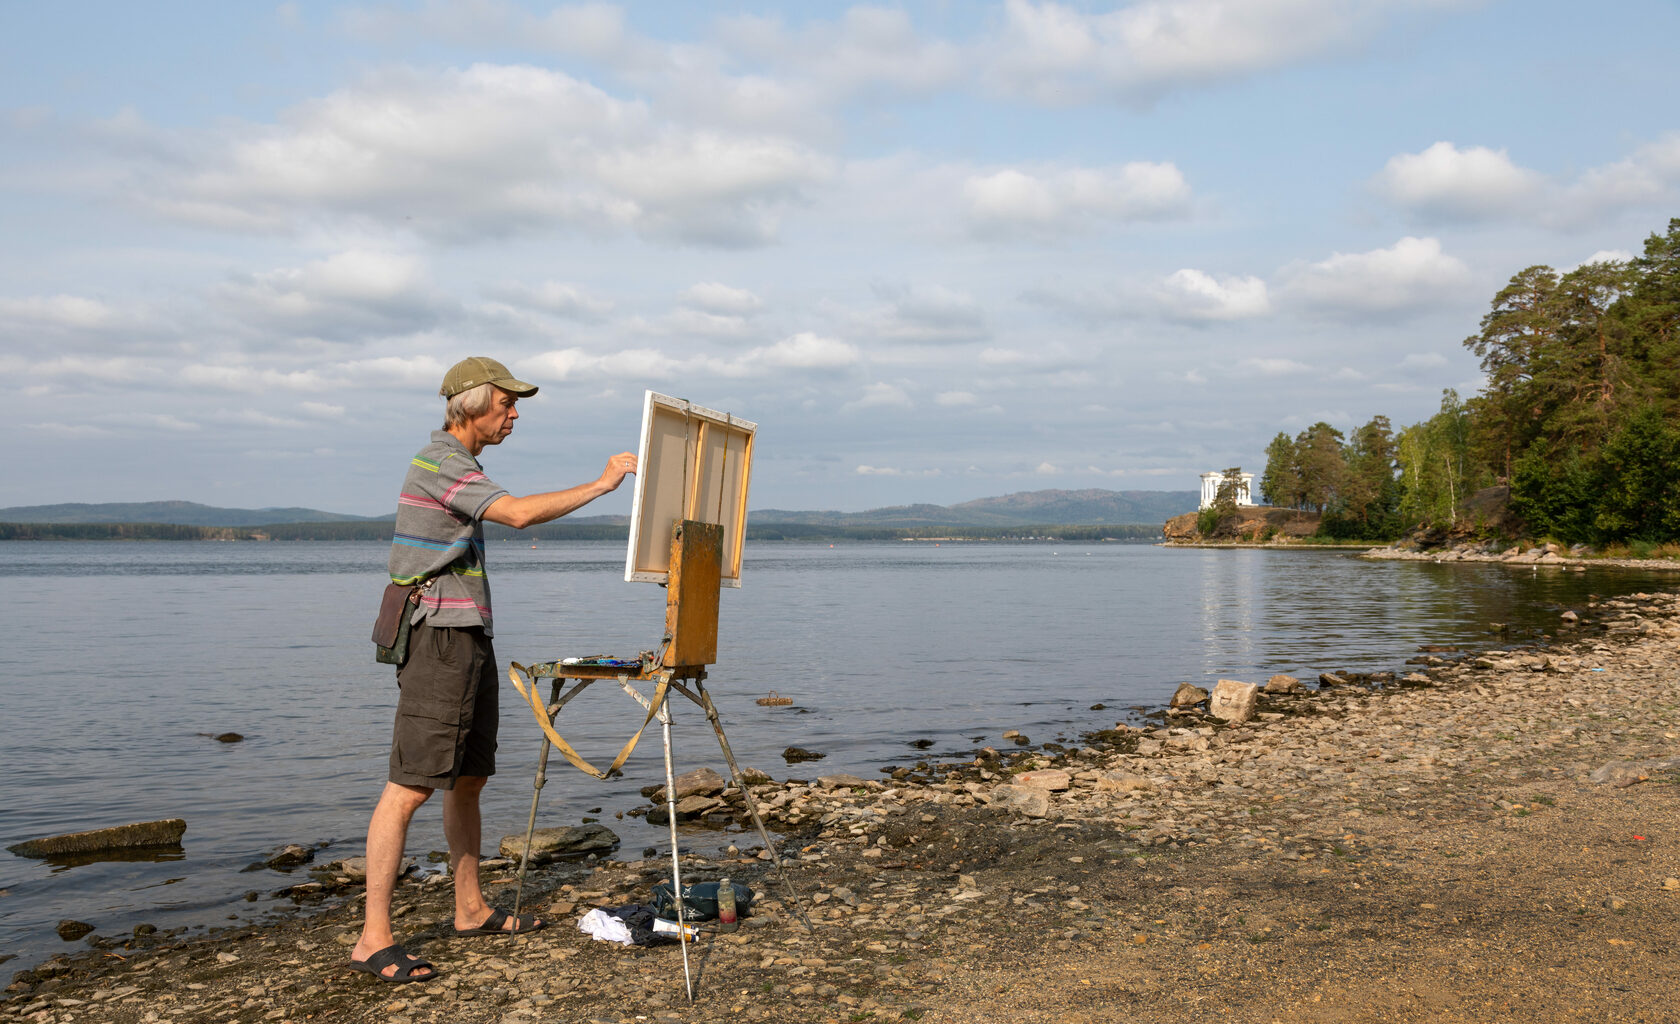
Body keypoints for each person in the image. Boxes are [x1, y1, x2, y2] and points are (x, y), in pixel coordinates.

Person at [349, 356, 637, 983]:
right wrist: (602, 484)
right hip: (438, 640)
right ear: (470, 406)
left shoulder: (463, 466)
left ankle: (470, 908)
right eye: (507, 403)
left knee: (469, 778)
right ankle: (373, 938)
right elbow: (519, 514)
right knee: (410, 786)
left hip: (467, 637)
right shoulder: (440, 463)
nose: (514, 414)